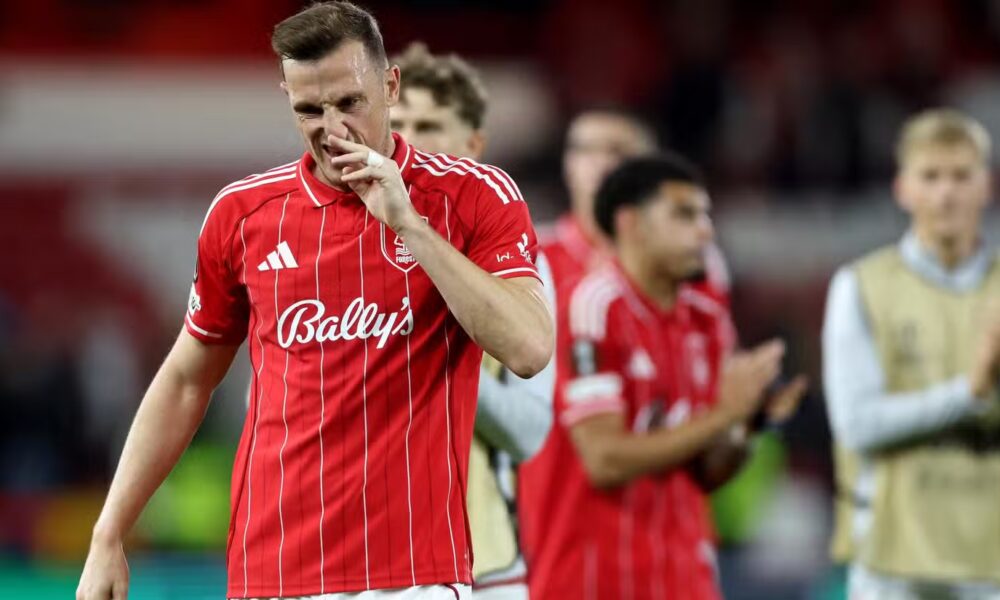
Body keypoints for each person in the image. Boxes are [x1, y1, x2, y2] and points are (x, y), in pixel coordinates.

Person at [76, 3, 554, 599]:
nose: (332, 130)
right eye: (308, 109)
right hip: (272, 571)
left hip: (414, 576)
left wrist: (410, 226)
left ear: (390, 85)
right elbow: (185, 380)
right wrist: (109, 533)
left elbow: (530, 348)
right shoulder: (242, 214)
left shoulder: (473, 196)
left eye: (350, 103)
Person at [519, 154, 805, 599]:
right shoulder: (593, 307)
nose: (705, 231)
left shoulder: (705, 318)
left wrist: (747, 423)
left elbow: (707, 472)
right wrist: (722, 416)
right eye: (684, 215)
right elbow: (604, 459)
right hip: (597, 575)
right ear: (631, 223)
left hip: (684, 572)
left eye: (705, 215)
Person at [390, 43, 555, 599]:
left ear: (474, 145)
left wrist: (435, 361)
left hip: (482, 565)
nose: (409, 141)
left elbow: (531, 430)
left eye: (430, 124)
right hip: (360, 562)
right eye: (398, 123)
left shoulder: (515, 258)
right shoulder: (337, 246)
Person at [823, 108, 1000, 598]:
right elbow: (857, 425)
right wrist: (973, 391)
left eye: (962, 176)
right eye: (931, 176)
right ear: (903, 188)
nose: (947, 193)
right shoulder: (860, 286)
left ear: (987, 186)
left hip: (991, 557)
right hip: (892, 557)